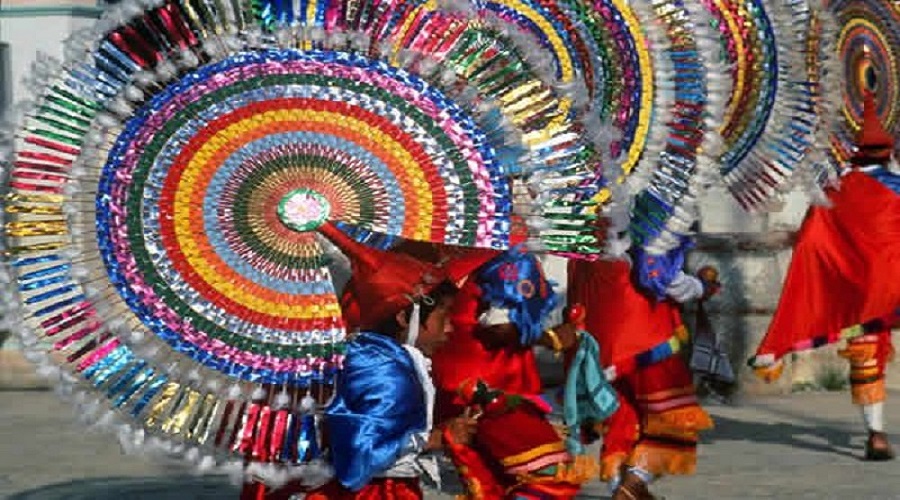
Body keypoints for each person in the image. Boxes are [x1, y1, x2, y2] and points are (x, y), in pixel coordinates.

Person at [244, 223, 478, 499]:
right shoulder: (384, 369)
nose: (450, 328)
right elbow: (357, 461)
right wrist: (437, 438)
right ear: (405, 318)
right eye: (444, 315)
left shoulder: (374, 355)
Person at [751, 91, 900, 461]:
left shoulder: (835, 190)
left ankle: (876, 434)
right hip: (893, 288)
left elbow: (814, 241)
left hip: (859, 296)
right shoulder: (893, 187)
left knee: (865, 356)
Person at [567, 229, 719, 500]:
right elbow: (661, 277)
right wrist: (700, 288)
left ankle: (619, 485)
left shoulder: (585, 209)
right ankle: (634, 482)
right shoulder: (647, 205)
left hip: (598, 335)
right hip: (643, 336)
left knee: (622, 417)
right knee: (673, 416)